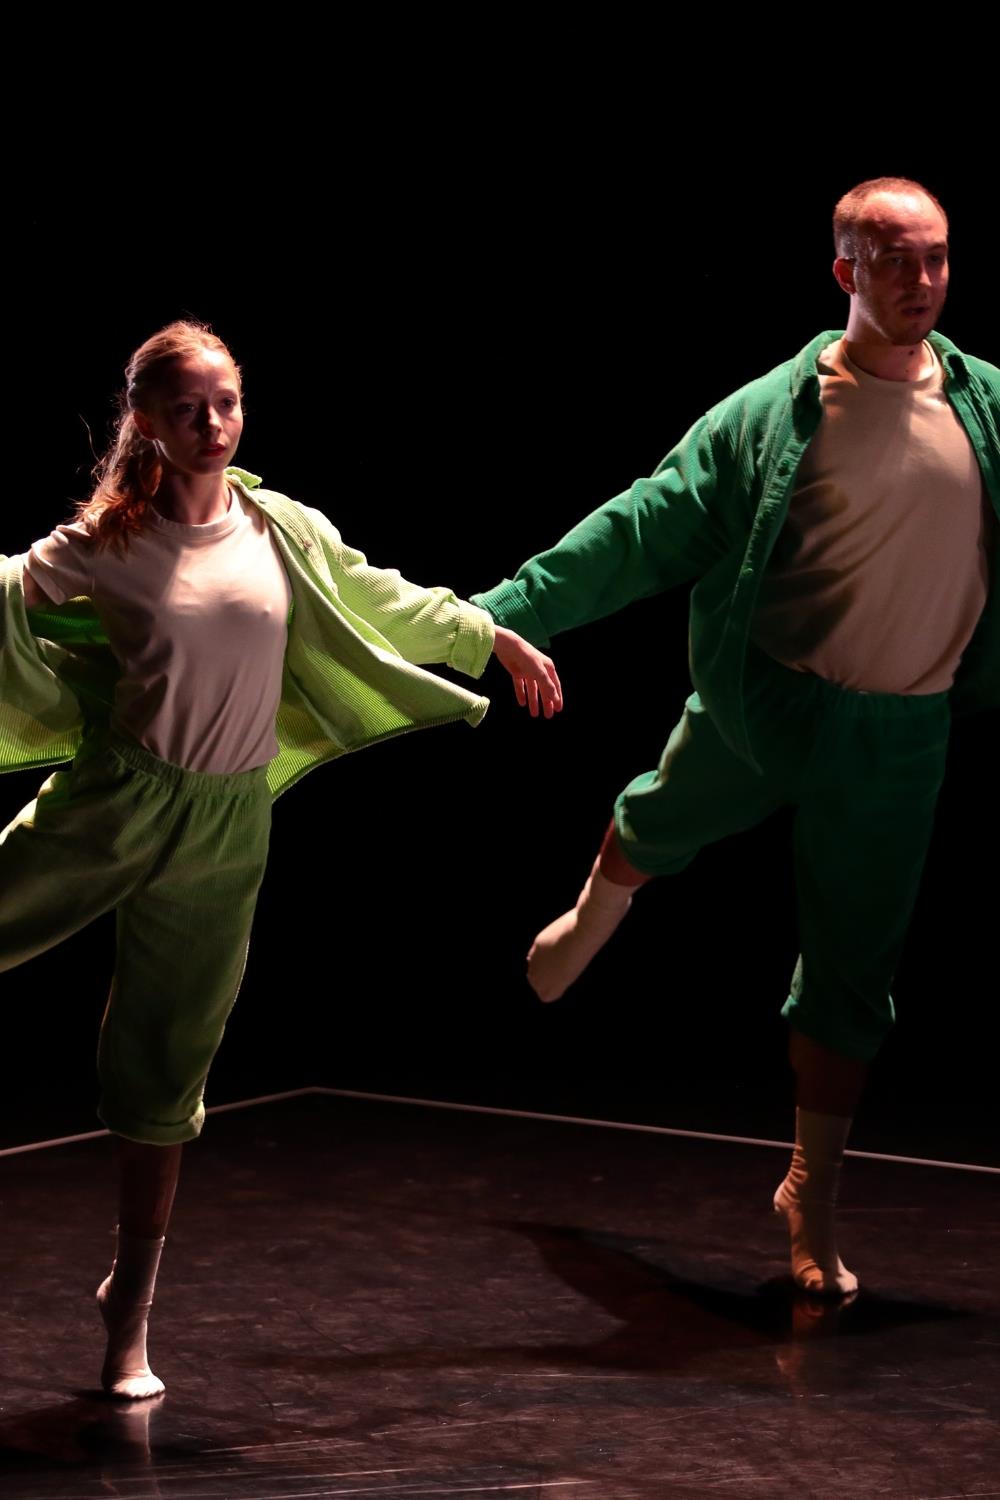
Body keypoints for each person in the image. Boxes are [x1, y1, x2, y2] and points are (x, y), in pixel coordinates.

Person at [0, 320, 562, 1399]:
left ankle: (130, 1311)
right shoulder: (106, 544)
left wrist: (488, 636)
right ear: (146, 424)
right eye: (187, 409)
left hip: (225, 826)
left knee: (170, 1065)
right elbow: (4, 602)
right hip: (117, 802)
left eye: (227, 403)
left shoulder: (279, 528)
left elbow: (376, 595)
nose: (213, 424)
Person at [471, 177, 999, 1298]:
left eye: (937, 259)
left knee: (854, 969)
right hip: (769, 704)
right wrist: (498, 615)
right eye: (895, 260)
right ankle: (585, 924)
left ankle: (812, 1190)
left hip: (900, 732)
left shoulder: (986, 406)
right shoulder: (772, 414)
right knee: (661, 813)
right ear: (845, 271)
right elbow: (640, 526)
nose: (922, 281)